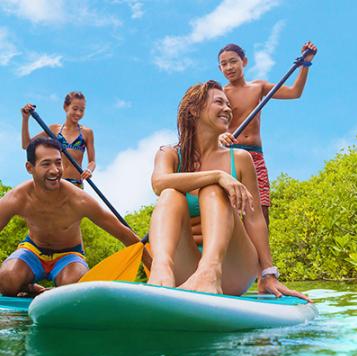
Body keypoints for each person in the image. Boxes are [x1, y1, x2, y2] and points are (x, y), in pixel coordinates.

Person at [147, 80, 309, 300]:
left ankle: (210, 270)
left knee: (213, 190)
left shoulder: (240, 158)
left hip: (232, 269)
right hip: (187, 268)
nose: (227, 109)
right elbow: (159, 183)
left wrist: (268, 274)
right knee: (170, 193)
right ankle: (160, 272)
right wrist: (217, 175)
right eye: (219, 102)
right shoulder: (169, 154)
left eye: (229, 105)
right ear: (194, 110)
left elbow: (255, 219)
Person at [0, 137, 147, 297]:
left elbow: (123, 233)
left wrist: (155, 269)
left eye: (58, 162)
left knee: (76, 288)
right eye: (46, 164)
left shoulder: (79, 199)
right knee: (6, 280)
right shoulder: (17, 197)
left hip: (68, 256)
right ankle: (29, 287)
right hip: (32, 251)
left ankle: (58, 291)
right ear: (30, 167)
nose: (55, 170)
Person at [217, 41, 317, 226]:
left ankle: (262, 255)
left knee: (261, 211)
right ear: (219, 68)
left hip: (255, 155)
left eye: (233, 61)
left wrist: (305, 64)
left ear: (244, 62)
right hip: (231, 154)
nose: (229, 67)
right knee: (229, 210)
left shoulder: (258, 87)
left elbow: (295, 92)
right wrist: (219, 136)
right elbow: (208, 125)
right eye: (224, 64)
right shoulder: (219, 94)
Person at [21, 91, 95, 188]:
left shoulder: (87, 133)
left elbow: (92, 162)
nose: (78, 113)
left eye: (82, 110)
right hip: (56, 183)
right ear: (65, 107)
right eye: (75, 108)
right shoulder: (54, 129)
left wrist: (89, 170)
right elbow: (26, 145)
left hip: (76, 184)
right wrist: (25, 118)